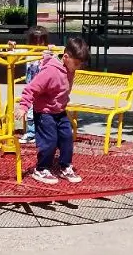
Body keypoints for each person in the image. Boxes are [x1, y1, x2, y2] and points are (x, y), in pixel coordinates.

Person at [16, 36, 89, 185]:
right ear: (66, 57)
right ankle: (41, 168)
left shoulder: (69, 68)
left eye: (80, 64)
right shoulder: (50, 71)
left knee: (67, 137)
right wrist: (24, 106)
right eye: (76, 63)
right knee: (49, 140)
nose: (78, 67)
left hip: (59, 110)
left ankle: (65, 166)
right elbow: (32, 88)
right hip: (44, 111)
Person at [20, 26, 51, 144]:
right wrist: (12, 46)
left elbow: (55, 57)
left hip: (43, 88)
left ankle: (40, 132)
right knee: (30, 110)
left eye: (40, 42)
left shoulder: (46, 53)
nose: (37, 45)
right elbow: (16, 52)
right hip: (31, 88)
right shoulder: (28, 51)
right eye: (35, 41)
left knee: (43, 111)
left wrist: (51, 50)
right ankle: (31, 132)